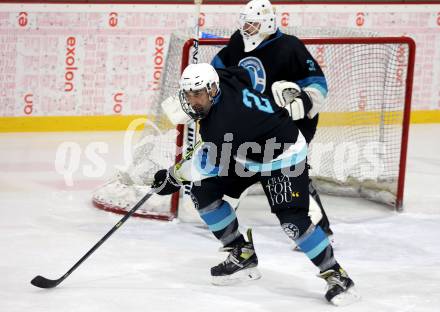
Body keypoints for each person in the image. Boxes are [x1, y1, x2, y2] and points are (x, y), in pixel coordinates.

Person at [152, 63, 359, 306]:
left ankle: (336, 275)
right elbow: (244, 73)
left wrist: (173, 178)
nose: (191, 100)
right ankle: (242, 252)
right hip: (248, 152)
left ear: (212, 89)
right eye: (187, 93)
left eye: (197, 94)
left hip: (283, 156)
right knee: (203, 192)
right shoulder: (224, 80)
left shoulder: (223, 124)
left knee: (292, 221)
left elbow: (207, 165)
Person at [211, 0, 333, 239]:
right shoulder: (238, 42)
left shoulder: (290, 47)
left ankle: (320, 229)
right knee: (235, 168)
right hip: (253, 124)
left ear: (267, 23)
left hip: (289, 126)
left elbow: (318, 84)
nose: (247, 29)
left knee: (285, 172)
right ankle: (224, 218)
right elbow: (219, 70)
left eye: (253, 24)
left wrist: (304, 102)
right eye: (245, 23)